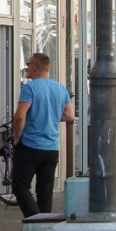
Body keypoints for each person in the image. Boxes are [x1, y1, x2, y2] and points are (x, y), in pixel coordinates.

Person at [12, 53, 74, 218]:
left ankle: (34, 218)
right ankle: (45, 226)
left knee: (20, 186)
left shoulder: (30, 88)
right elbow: (69, 116)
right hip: (52, 147)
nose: (26, 68)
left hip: (30, 145)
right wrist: (51, 116)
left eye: (27, 65)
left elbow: (19, 116)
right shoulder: (60, 88)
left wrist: (17, 137)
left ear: (33, 67)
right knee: (45, 191)